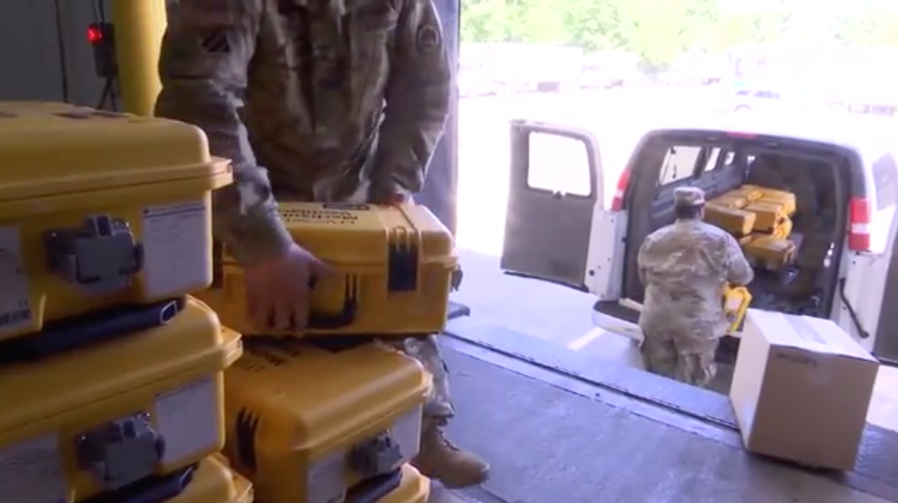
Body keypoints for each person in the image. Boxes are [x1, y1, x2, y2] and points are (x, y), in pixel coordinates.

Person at [154, 0, 489, 488]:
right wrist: (264, 242)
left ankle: (416, 432)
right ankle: (245, 465)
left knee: (387, 313)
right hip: (243, 205)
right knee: (249, 367)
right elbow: (198, 100)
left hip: (354, 193)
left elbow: (427, 86)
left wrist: (394, 184)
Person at [636, 187, 754, 387]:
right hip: (698, 326)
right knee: (691, 386)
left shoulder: (654, 239)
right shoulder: (721, 240)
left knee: (655, 380)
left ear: (676, 209)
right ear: (702, 209)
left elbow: (643, 278)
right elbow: (743, 276)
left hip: (656, 319)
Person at [747, 155, 835, 298]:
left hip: (809, 202)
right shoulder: (762, 163)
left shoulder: (813, 171)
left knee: (821, 224)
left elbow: (809, 209)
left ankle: (801, 279)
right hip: (774, 206)